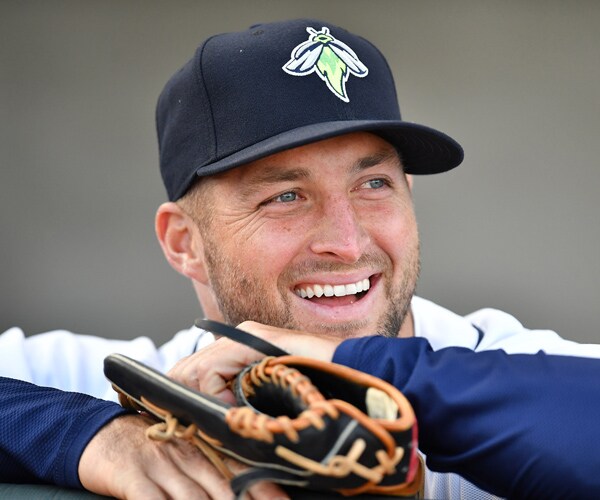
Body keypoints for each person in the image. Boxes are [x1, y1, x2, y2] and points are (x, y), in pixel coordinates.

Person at [2, 18, 600, 499]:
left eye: (374, 185)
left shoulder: (527, 371)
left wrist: (368, 368)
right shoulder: (125, 387)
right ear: (184, 242)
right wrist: (88, 436)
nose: (347, 240)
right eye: (285, 197)